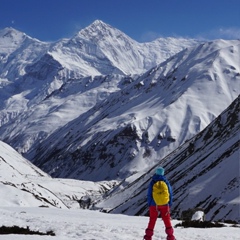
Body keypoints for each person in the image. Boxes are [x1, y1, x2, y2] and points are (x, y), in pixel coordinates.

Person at [143, 167, 175, 240]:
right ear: (163, 173)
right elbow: (170, 193)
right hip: (165, 204)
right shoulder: (166, 181)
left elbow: (149, 194)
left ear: (156, 173)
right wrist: (169, 204)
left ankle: (148, 237)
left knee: (152, 220)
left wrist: (150, 204)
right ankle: (171, 237)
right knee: (167, 221)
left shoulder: (153, 182)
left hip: (154, 205)